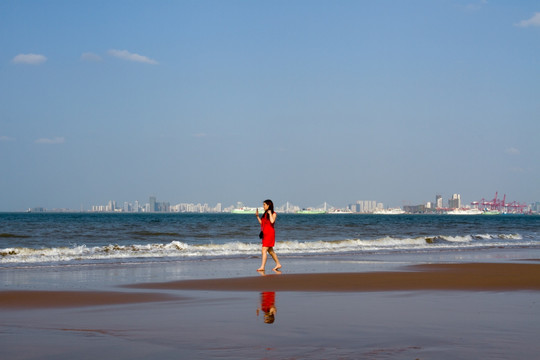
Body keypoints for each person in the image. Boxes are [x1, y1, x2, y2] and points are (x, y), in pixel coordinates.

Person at [255, 199, 282, 272]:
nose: (263, 206)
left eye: (264, 205)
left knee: (264, 250)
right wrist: (257, 216)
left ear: (268, 205)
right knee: (270, 251)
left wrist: (270, 213)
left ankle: (262, 267)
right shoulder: (264, 214)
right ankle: (278, 264)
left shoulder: (273, 213)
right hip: (265, 234)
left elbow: (272, 221)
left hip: (270, 234)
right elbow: (262, 223)